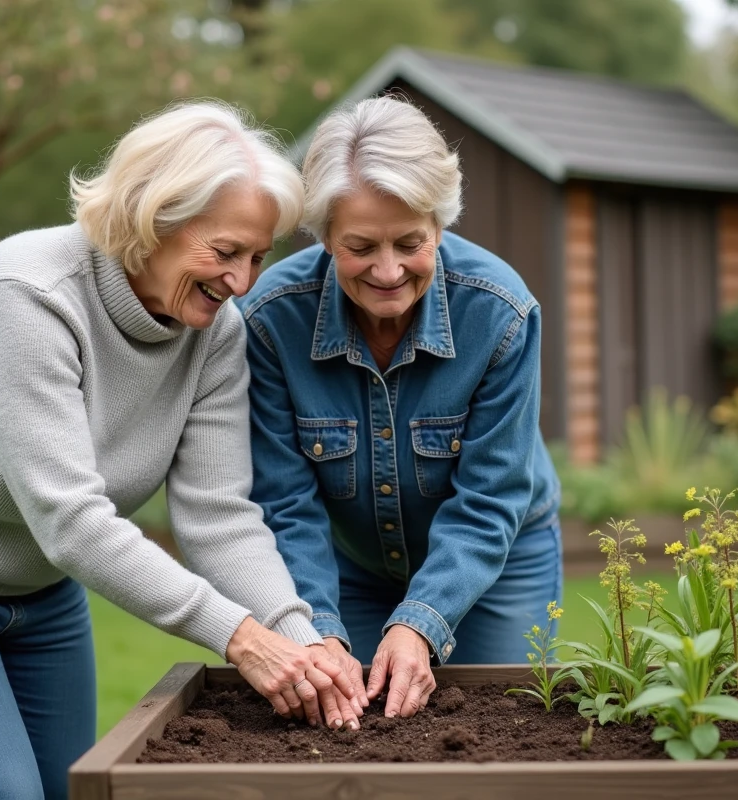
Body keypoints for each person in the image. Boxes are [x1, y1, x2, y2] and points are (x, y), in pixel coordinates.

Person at [0, 101, 355, 800]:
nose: (242, 283)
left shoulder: (215, 333)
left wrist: (298, 635)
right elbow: (71, 520)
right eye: (224, 253)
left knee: (76, 792)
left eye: (258, 256)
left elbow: (218, 516)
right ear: (149, 217)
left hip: (38, 583)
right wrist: (241, 638)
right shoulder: (27, 297)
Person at [239, 96, 563, 728]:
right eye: (360, 246)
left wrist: (421, 622)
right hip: (349, 563)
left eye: (410, 243)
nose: (388, 272)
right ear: (325, 235)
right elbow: (284, 503)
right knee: (349, 727)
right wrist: (318, 630)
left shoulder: (499, 312)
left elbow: (491, 497)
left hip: (497, 557)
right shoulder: (273, 321)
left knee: (503, 730)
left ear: (439, 228)